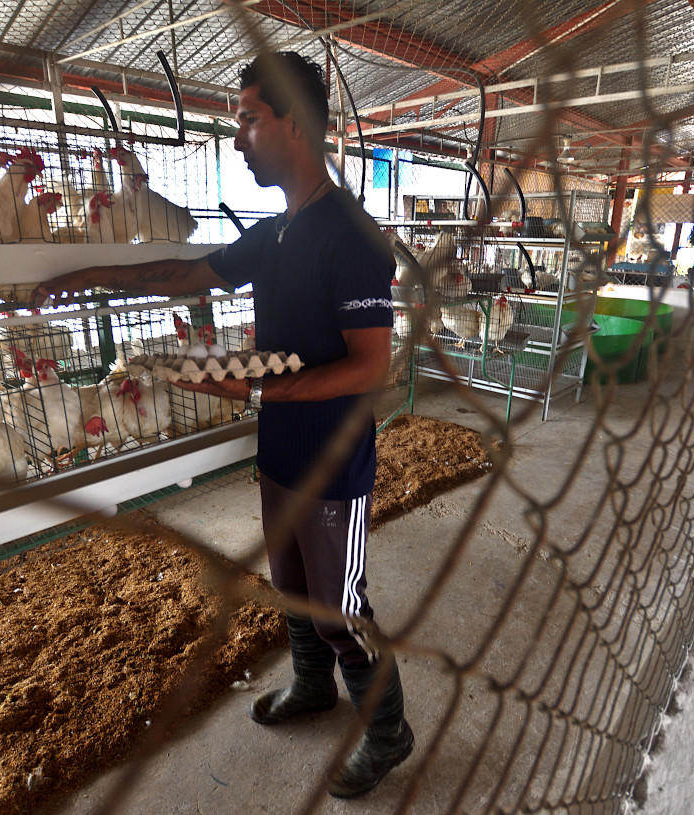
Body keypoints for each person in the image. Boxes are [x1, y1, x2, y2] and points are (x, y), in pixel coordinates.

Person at [32, 50, 412, 799]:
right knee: (291, 582)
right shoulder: (273, 234)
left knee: (340, 606)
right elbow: (187, 272)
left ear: (293, 124)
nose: (236, 137)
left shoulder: (351, 235)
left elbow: (372, 368)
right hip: (280, 456)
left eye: (247, 120)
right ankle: (312, 686)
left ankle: (389, 726)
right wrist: (92, 277)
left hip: (334, 463)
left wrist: (262, 391)